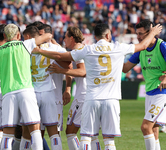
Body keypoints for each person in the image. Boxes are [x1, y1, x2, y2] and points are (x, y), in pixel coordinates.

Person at [31, 23, 162, 150]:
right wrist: (153, 33)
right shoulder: (118, 47)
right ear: (108, 35)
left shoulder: (88, 49)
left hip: (92, 99)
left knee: (86, 137)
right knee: (109, 140)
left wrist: (39, 50)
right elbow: (144, 45)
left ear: (96, 36)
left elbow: (60, 55)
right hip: (111, 100)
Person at [0, 23, 52, 150]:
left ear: (4, 35)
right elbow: (47, 35)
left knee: (7, 133)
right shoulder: (26, 44)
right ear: (18, 35)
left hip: (8, 93)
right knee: (35, 129)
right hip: (25, 91)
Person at [47, 26, 101, 150]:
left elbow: (83, 71)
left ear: (72, 38)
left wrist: (61, 70)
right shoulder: (85, 49)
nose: (64, 40)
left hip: (83, 96)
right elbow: (63, 55)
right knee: (92, 134)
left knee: (70, 132)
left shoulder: (79, 51)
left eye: (65, 37)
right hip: (94, 94)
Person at [22, 24, 69, 150]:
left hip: (31, 92)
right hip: (48, 91)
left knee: (29, 132)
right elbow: (68, 63)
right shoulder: (53, 47)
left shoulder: (24, 48)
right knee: (53, 131)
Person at [123, 19, 166, 150]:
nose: (138, 36)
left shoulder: (162, 46)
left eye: (141, 34)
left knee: (145, 127)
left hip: (162, 92)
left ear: (151, 32)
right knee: (153, 131)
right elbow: (125, 68)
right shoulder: (140, 49)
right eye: (137, 33)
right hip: (150, 93)